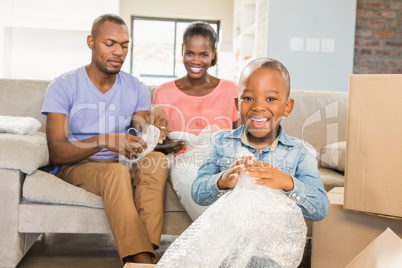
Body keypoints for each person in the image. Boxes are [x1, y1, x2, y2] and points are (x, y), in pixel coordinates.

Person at [42, 14, 169, 264]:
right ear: (91, 42)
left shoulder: (136, 88)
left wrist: (155, 120)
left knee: (156, 161)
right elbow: (56, 152)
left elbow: (140, 129)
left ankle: (144, 253)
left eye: (124, 45)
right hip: (78, 165)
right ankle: (143, 260)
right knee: (116, 174)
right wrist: (103, 140)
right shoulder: (63, 86)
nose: (118, 52)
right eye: (109, 43)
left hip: (122, 162)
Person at [192, 57, 329, 222]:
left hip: (277, 242)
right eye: (248, 98)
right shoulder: (220, 142)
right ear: (237, 104)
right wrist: (222, 180)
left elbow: (320, 209)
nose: (258, 106)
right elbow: (197, 193)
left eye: (270, 99)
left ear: (287, 107)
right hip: (230, 237)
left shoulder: (301, 151)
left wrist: (287, 182)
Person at [151, 21, 240, 220]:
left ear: (214, 54)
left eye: (204, 54)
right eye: (190, 53)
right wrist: (167, 147)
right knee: (187, 177)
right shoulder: (163, 92)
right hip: (183, 163)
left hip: (221, 161)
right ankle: (219, 240)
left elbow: (240, 138)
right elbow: (153, 144)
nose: (196, 61)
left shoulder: (230, 90)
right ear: (182, 51)